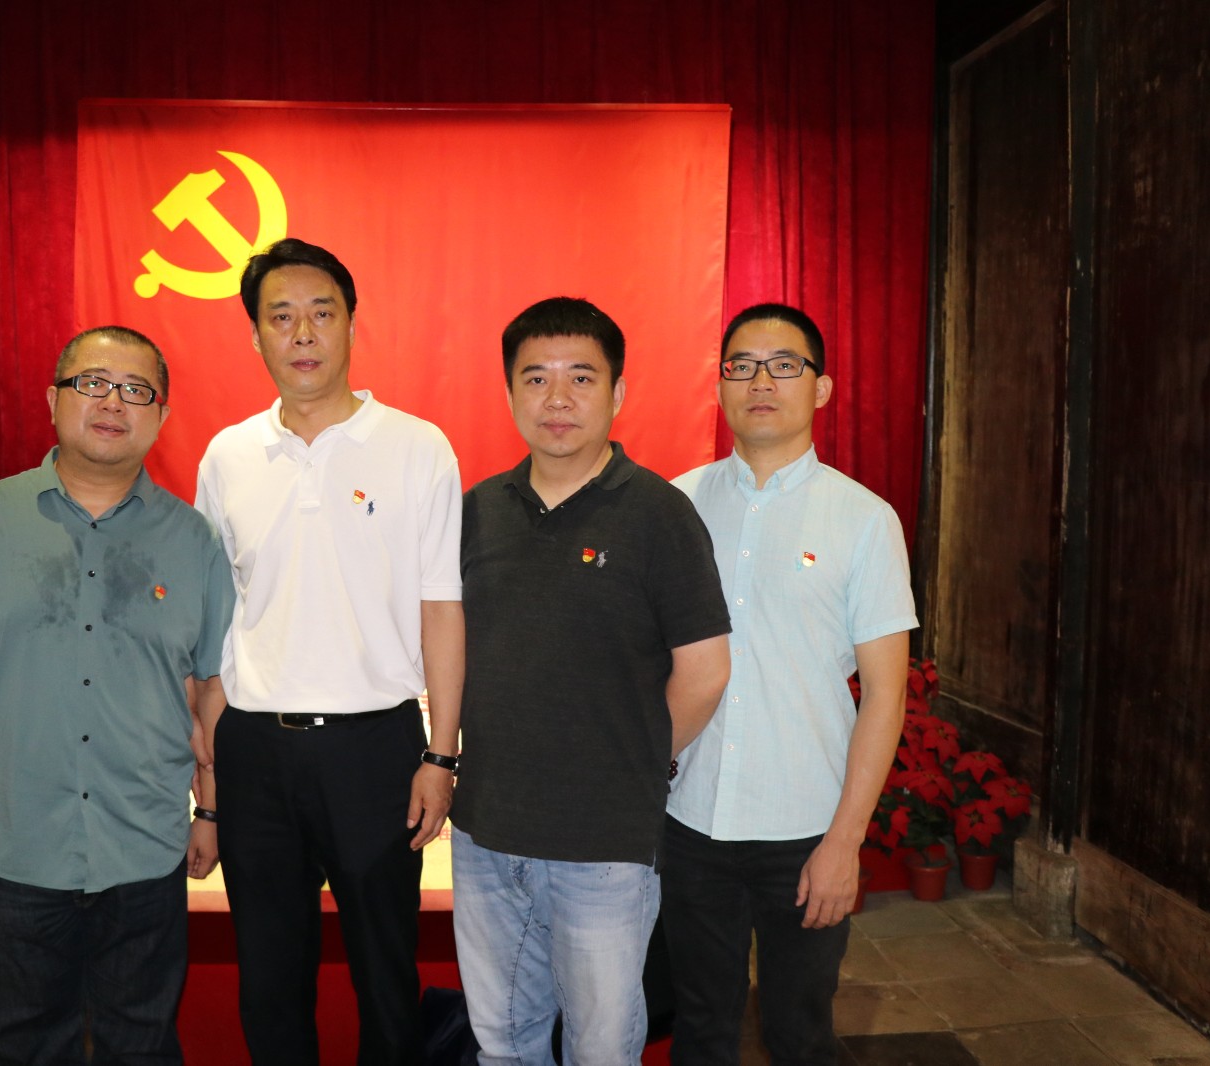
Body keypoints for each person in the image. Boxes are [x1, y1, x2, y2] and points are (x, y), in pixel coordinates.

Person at [0, 326, 234, 1065]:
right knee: (28, 1046)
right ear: (54, 400)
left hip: (143, 842)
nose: (113, 402)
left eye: (136, 390)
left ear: (161, 415)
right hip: (16, 842)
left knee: (142, 1045)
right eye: (93, 383)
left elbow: (209, 687)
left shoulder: (193, 539)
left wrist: (209, 810)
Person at [193, 238, 464, 1065]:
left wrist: (440, 755)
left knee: (386, 975)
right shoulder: (228, 455)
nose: (303, 333)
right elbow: (213, 624)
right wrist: (209, 780)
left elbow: (442, 610)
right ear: (256, 336)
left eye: (322, 313)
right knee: (269, 979)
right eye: (281, 317)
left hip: (374, 749)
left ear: (351, 324)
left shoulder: (417, 446)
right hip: (255, 748)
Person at [451, 296, 733, 1065]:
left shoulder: (660, 515)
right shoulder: (476, 512)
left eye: (581, 377)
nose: (558, 398)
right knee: (502, 1043)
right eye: (535, 378)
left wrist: (634, 761)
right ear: (509, 392)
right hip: (485, 833)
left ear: (618, 393)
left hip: (603, 845)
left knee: (601, 1047)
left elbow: (705, 672)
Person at [662, 303, 916, 1064]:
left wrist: (846, 841)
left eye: (784, 365)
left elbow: (886, 695)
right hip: (689, 819)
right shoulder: (674, 506)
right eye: (741, 366)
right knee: (698, 1030)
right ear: (719, 387)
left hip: (806, 829)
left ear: (822, 388)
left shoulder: (863, 519)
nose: (761, 382)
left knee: (800, 1034)